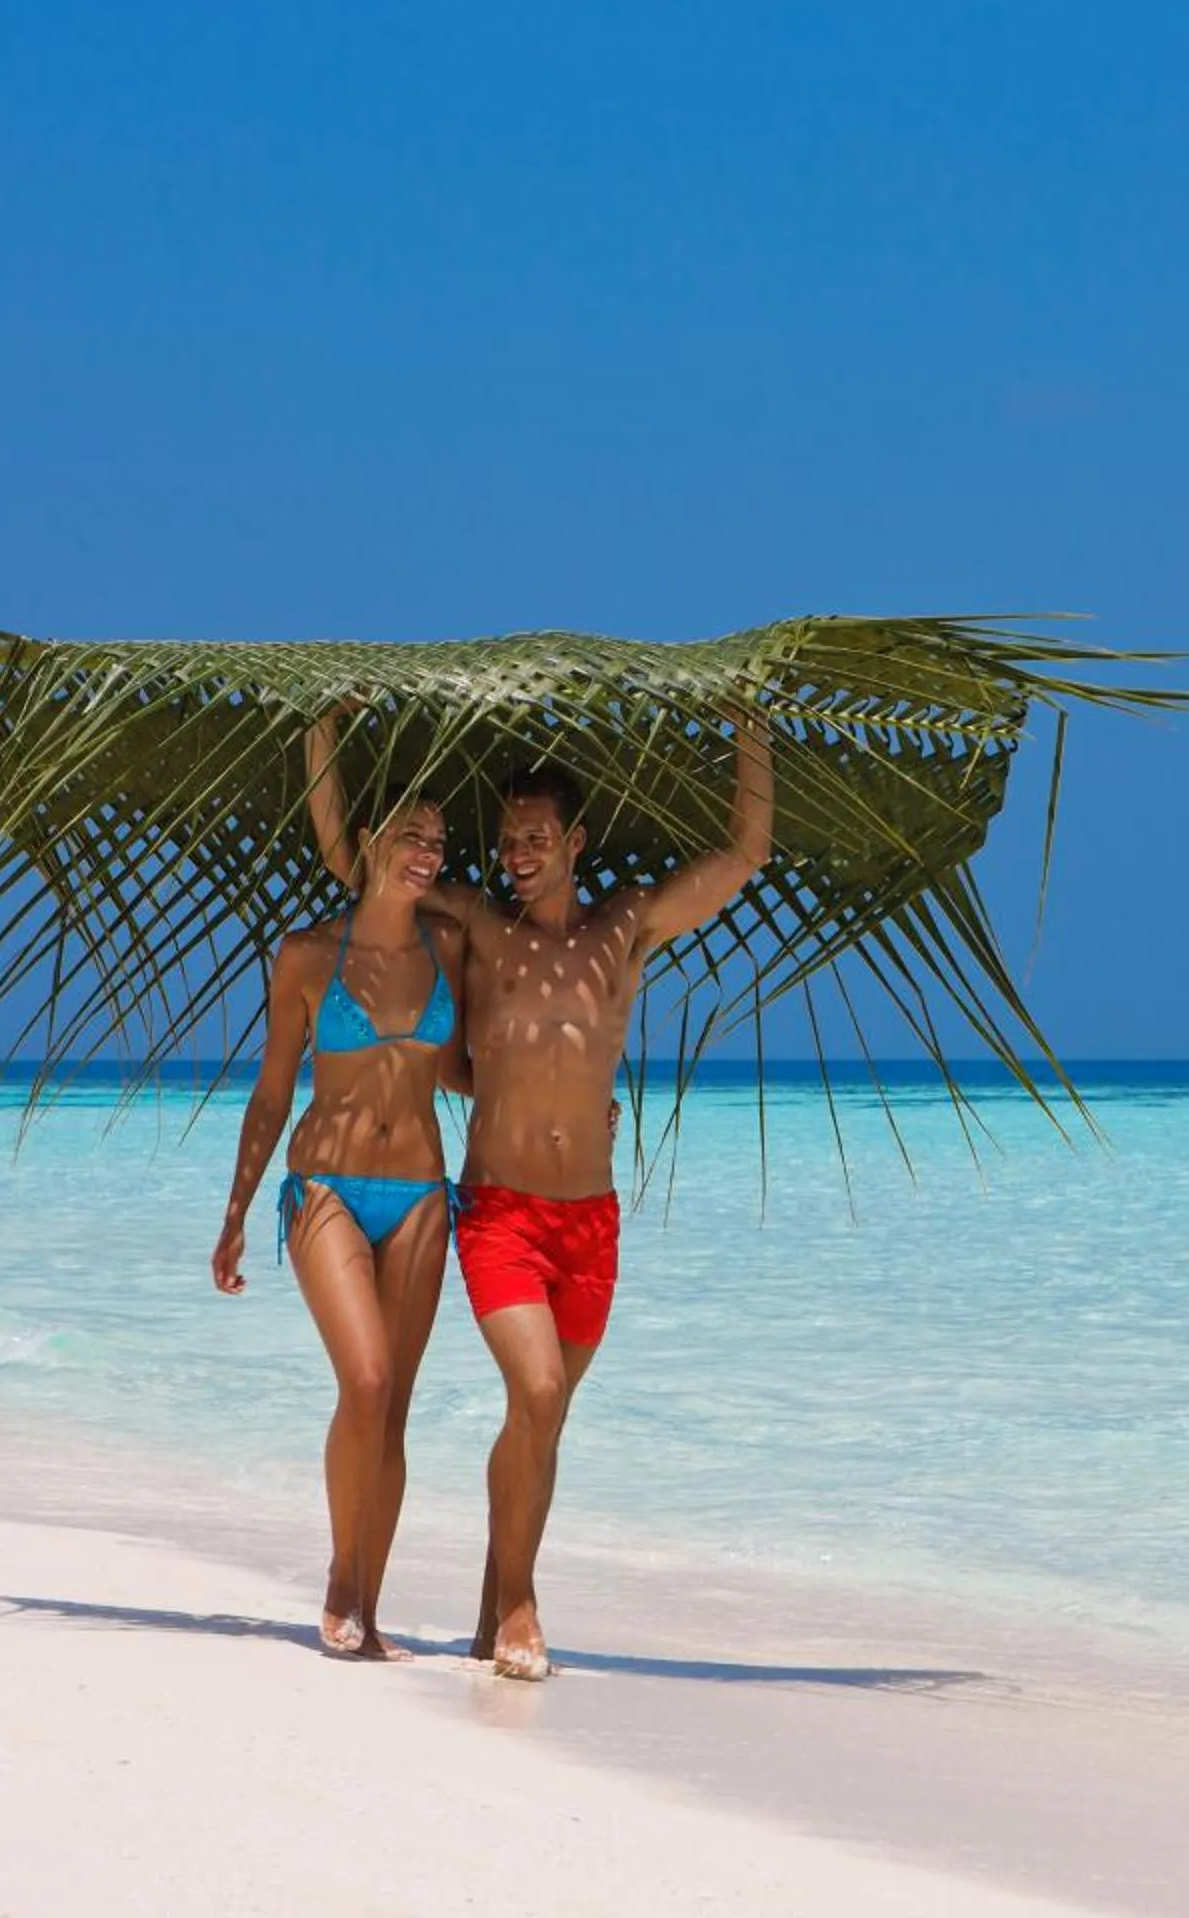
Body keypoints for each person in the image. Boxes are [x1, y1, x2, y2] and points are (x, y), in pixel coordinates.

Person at [308, 704, 773, 1678]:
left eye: (533, 835)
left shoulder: (627, 923)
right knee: (539, 1387)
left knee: (541, 1419)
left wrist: (748, 730)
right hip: (500, 1211)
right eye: (507, 836)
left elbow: (742, 855)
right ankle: (520, 1603)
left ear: (575, 840)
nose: (515, 851)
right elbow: (357, 865)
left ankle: (489, 1612)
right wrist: (326, 739)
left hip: (592, 1222)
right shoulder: (477, 923)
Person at [209, 791, 468, 1662]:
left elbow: (465, 1072)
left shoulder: (452, 948)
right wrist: (237, 1210)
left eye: (438, 840)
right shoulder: (309, 956)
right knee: (364, 1380)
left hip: (424, 1194)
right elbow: (275, 1090)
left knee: (393, 1409)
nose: (426, 852)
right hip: (326, 1187)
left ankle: (370, 1605)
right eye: (408, 837)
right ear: (367, 842)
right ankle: (339, 1576)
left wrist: (574, 1099)